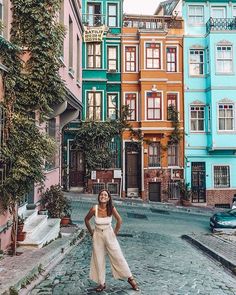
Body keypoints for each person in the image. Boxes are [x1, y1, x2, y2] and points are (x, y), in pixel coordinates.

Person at [84, 189, 140, 292]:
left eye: (105, 195)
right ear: (99, 197)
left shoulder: (111, 208)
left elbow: (119, 220)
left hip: (109, 234)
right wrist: (91, 233)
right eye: (101, 195)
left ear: (109, 198)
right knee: (98, 258)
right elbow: (86, 220)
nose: (103, 196)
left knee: (118, 256)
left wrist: (115, 233)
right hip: (97, 235)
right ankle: (101, 283)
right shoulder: (94, 209)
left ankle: (131, 279)